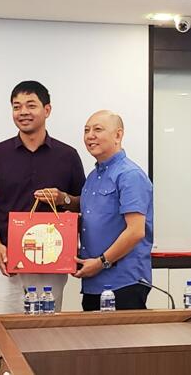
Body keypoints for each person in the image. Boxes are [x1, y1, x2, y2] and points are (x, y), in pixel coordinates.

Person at [0, 80, 85, 314]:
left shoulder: (68, 155)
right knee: (4, 327)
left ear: (47, 110)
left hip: (51, 258)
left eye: (31, 105)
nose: (23, 112)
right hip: (6, 260)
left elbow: (83, 205)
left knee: (45, 328)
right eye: (16, 106)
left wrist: (63, 198)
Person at [75, 110, 153, 310]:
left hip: (124, 283)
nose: (90, 136)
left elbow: (135, 231)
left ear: (118, 135)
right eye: (86, 130)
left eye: (97, 129)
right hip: (93, 283)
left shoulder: (130, 175)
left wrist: (101, 262)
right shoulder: (92, 177)